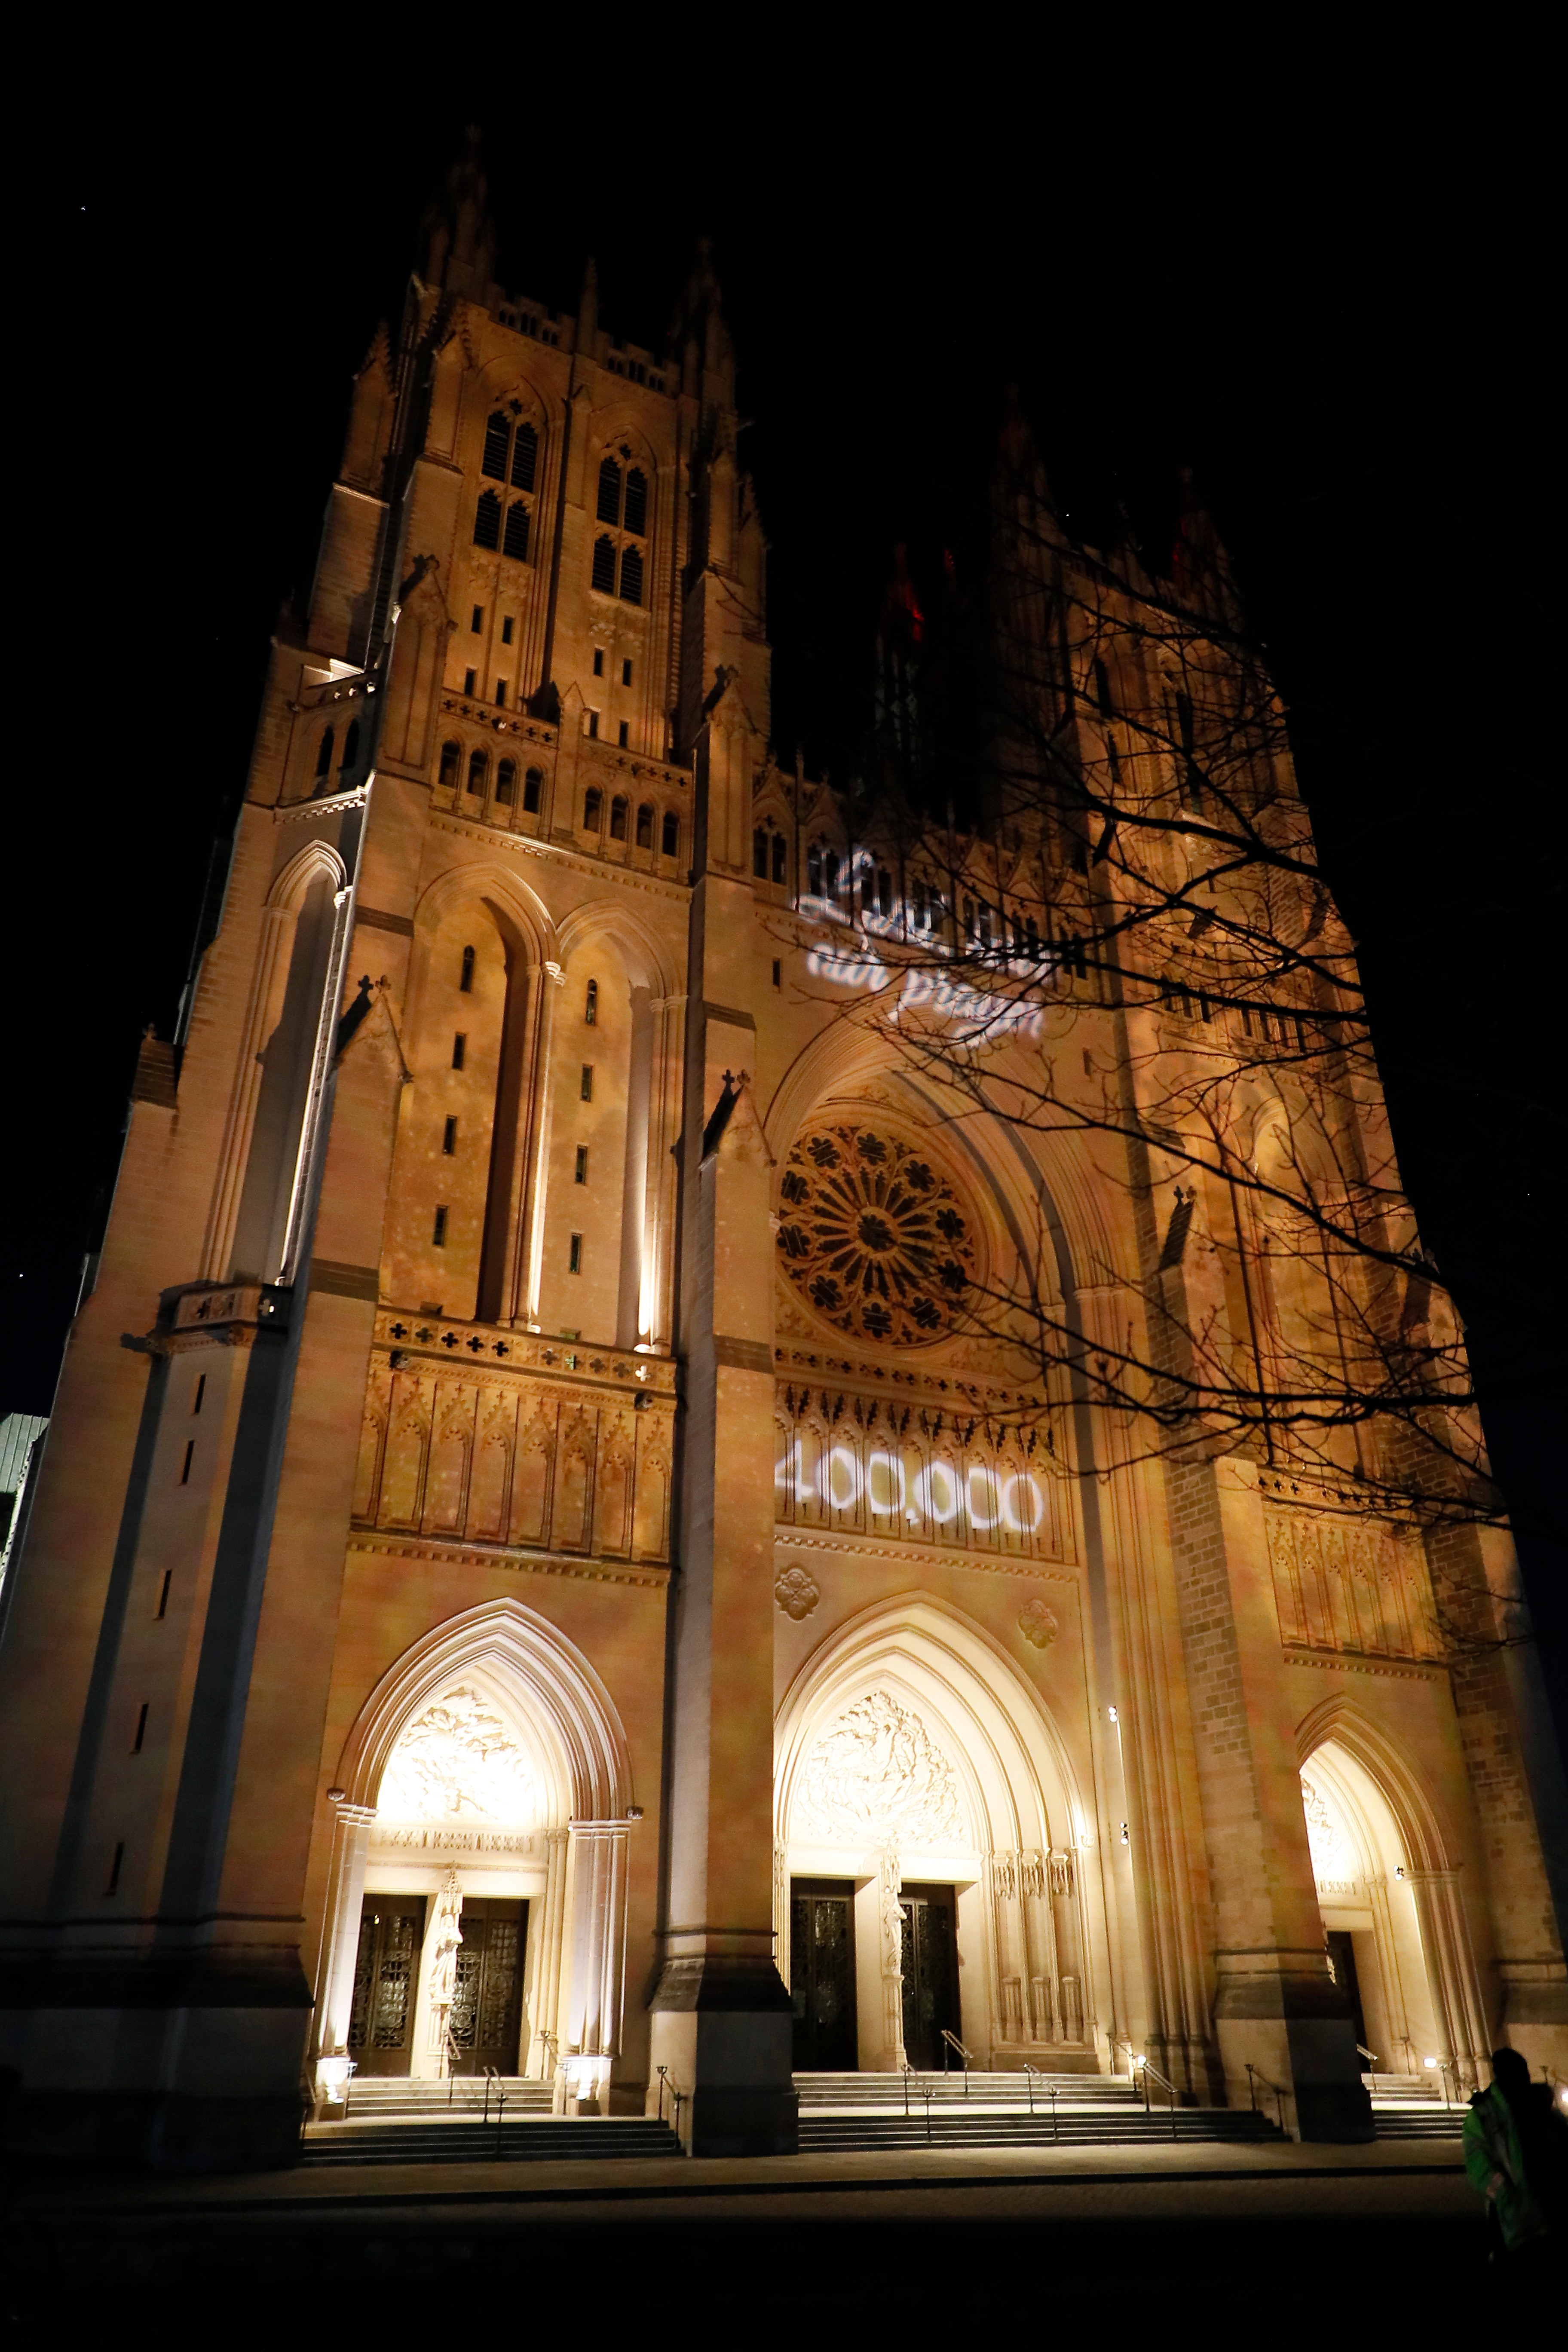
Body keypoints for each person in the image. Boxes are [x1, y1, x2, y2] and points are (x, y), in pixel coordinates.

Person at [1462, 2046, 1568, 2266]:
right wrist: (1504, 2196)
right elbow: (1479, 2164)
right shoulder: (1484, 2116)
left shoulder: (1542, 2109)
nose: (1523, 2078)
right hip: (1514, 2216)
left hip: (1550, 2206)